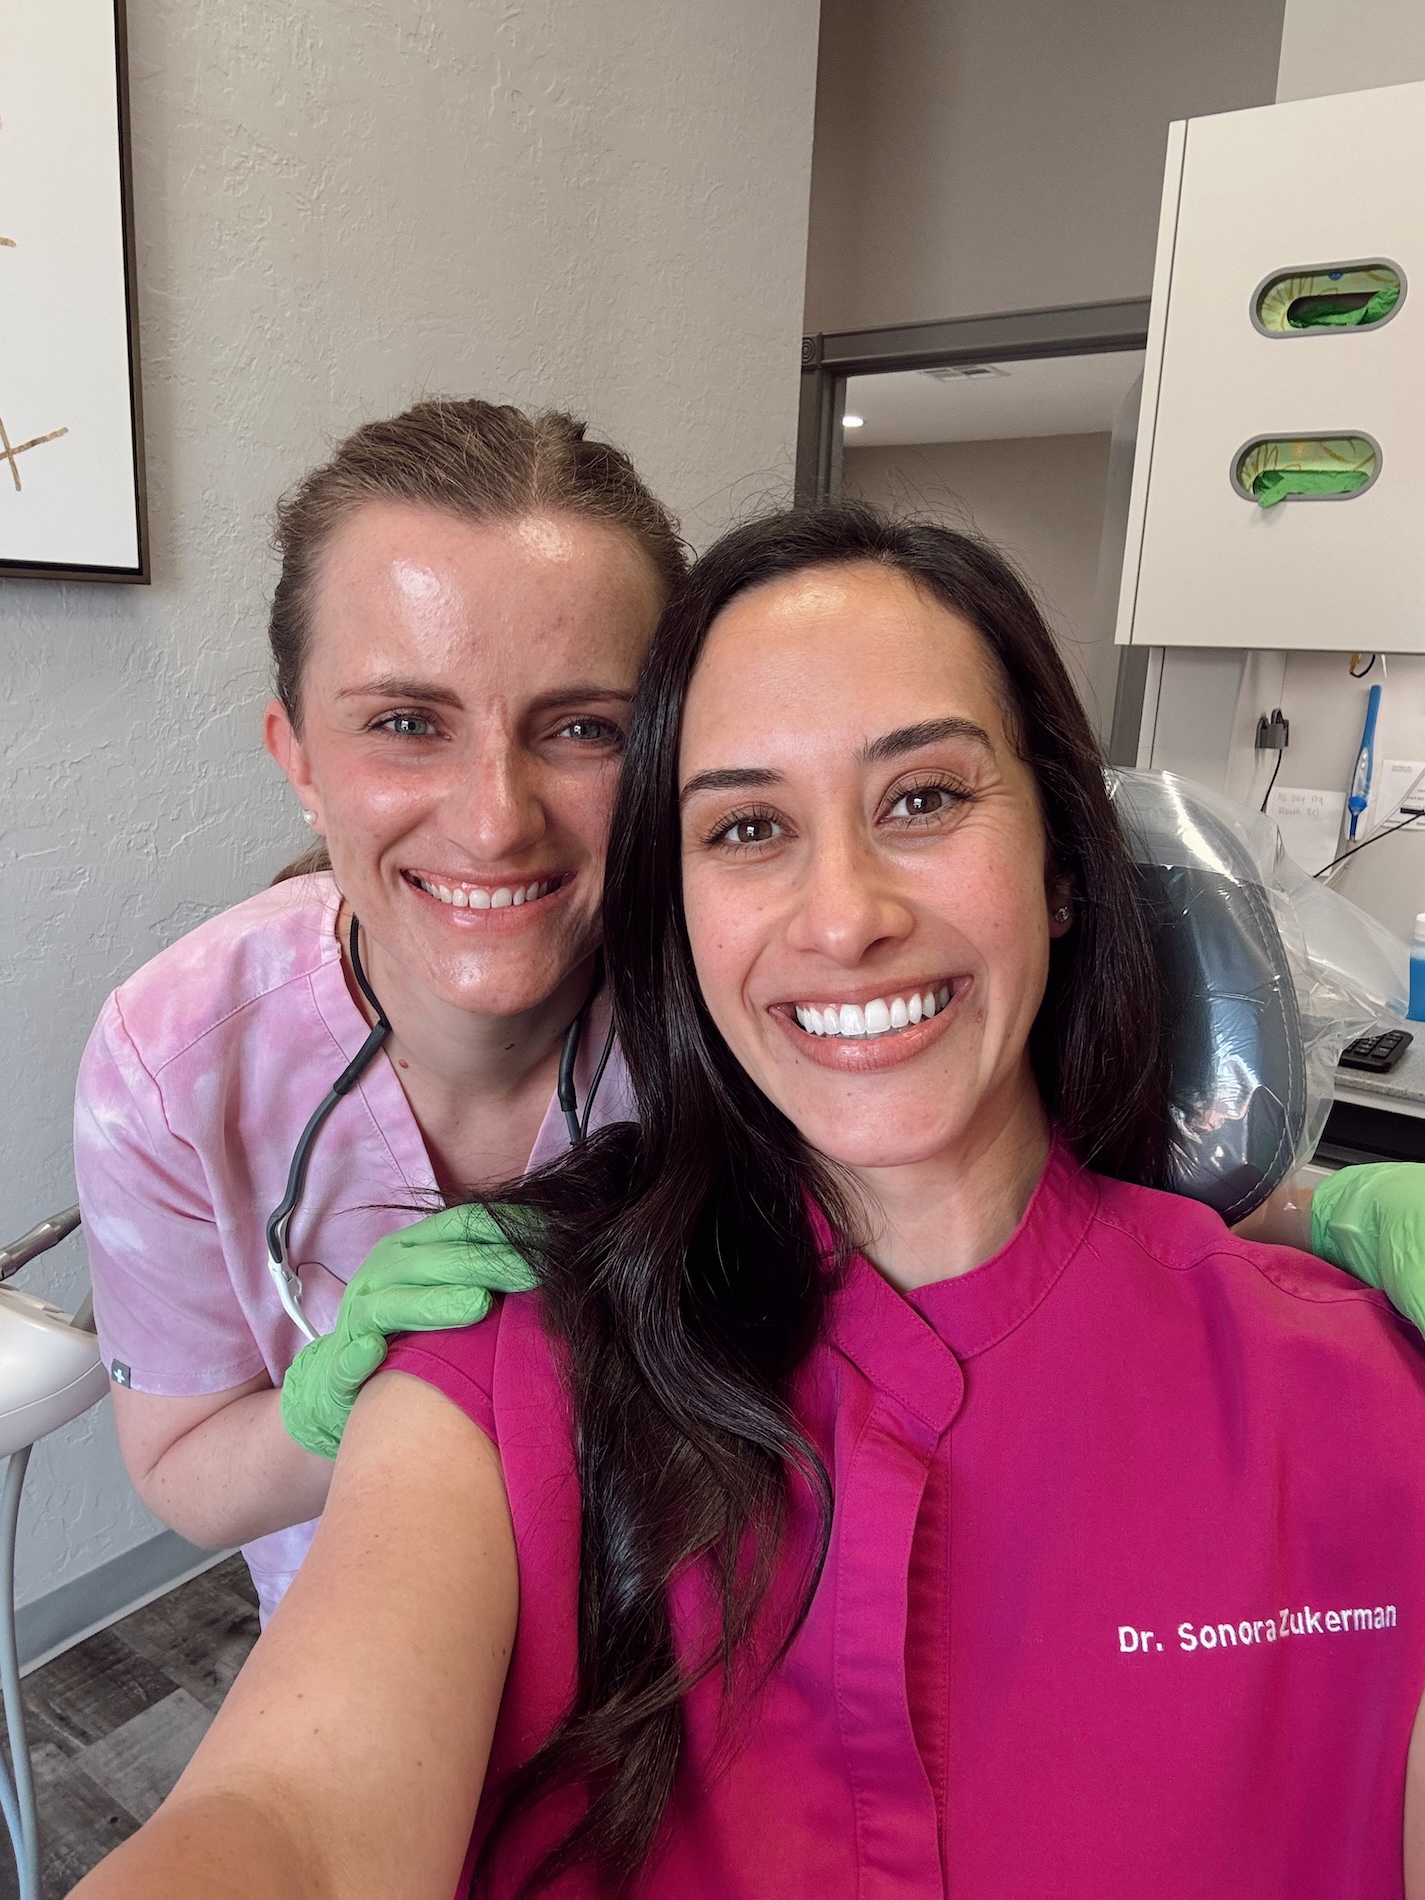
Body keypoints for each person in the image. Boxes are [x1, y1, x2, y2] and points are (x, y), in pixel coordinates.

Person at [76, 505, 1425, 1900]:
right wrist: (328, 1405)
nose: (841, 916)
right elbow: (292, 1824)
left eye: (924, 798)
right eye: (747, 825)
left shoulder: (1360, 1394)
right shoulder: (497, 1355)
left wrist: (1309, 1215)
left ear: (1066, 863)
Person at [73, 398, 684, 1619]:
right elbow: (185, 1469)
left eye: (584, 728)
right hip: (361, 1632)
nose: (495, 817)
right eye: (407, 724)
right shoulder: (171, 1059)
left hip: (682, 1622)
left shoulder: (733, 1005)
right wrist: (332, 1401)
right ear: (296, 755)